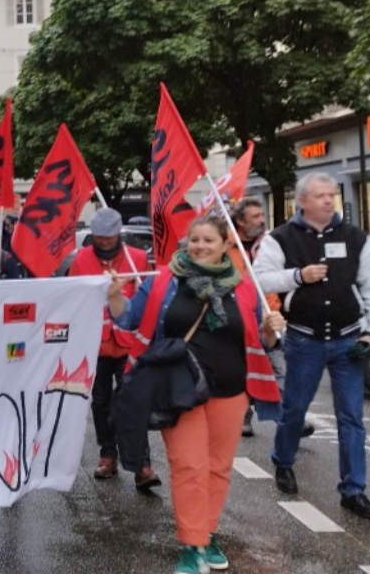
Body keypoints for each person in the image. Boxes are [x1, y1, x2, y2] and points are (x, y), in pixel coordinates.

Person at [109, 214, 285, 574]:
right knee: (189, 466)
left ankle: (208, 532)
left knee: (218, 469)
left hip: (232, 391)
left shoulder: (245, 288)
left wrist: (270, 330)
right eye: (195, 240)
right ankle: (193, 545)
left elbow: (260, 342)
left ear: (225, 245)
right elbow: (126, 320)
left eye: (208, 240)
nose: (200, 246)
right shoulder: (162, 282)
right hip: (179, 390)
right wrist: (114, 297)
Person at [254, 172, 370, 520]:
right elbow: (260, 277)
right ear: (302, 202)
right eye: (320, 195)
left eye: (331, 194)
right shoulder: (280, 238)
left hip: (348, 338)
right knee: (295, 409)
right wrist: (297, 276)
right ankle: (283, 461)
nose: (328, 200)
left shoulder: (355, 237)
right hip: (303, 338)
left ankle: (354, 490)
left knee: (351, 417)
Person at [68, 208, 159, 489]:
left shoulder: (137, 259)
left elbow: (147, 300)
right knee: (102, 403)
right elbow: (73, 299)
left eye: (110, 237)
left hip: (129, 345)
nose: (105, 242)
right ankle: (108, 454)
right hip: (95, 345)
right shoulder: (81, 260)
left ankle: (142, 465)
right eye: (100, 237)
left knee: (134, 404)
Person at [229, 197, 316, 440]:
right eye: (255, 216)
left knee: (279, 369)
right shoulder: (225, 247)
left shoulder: (271, 244)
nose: (261, 220)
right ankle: (244, 417)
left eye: (261, 215)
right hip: (238, 318)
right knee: (244, 370)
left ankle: (292, 421)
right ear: (240, 221)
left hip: (270, 316)